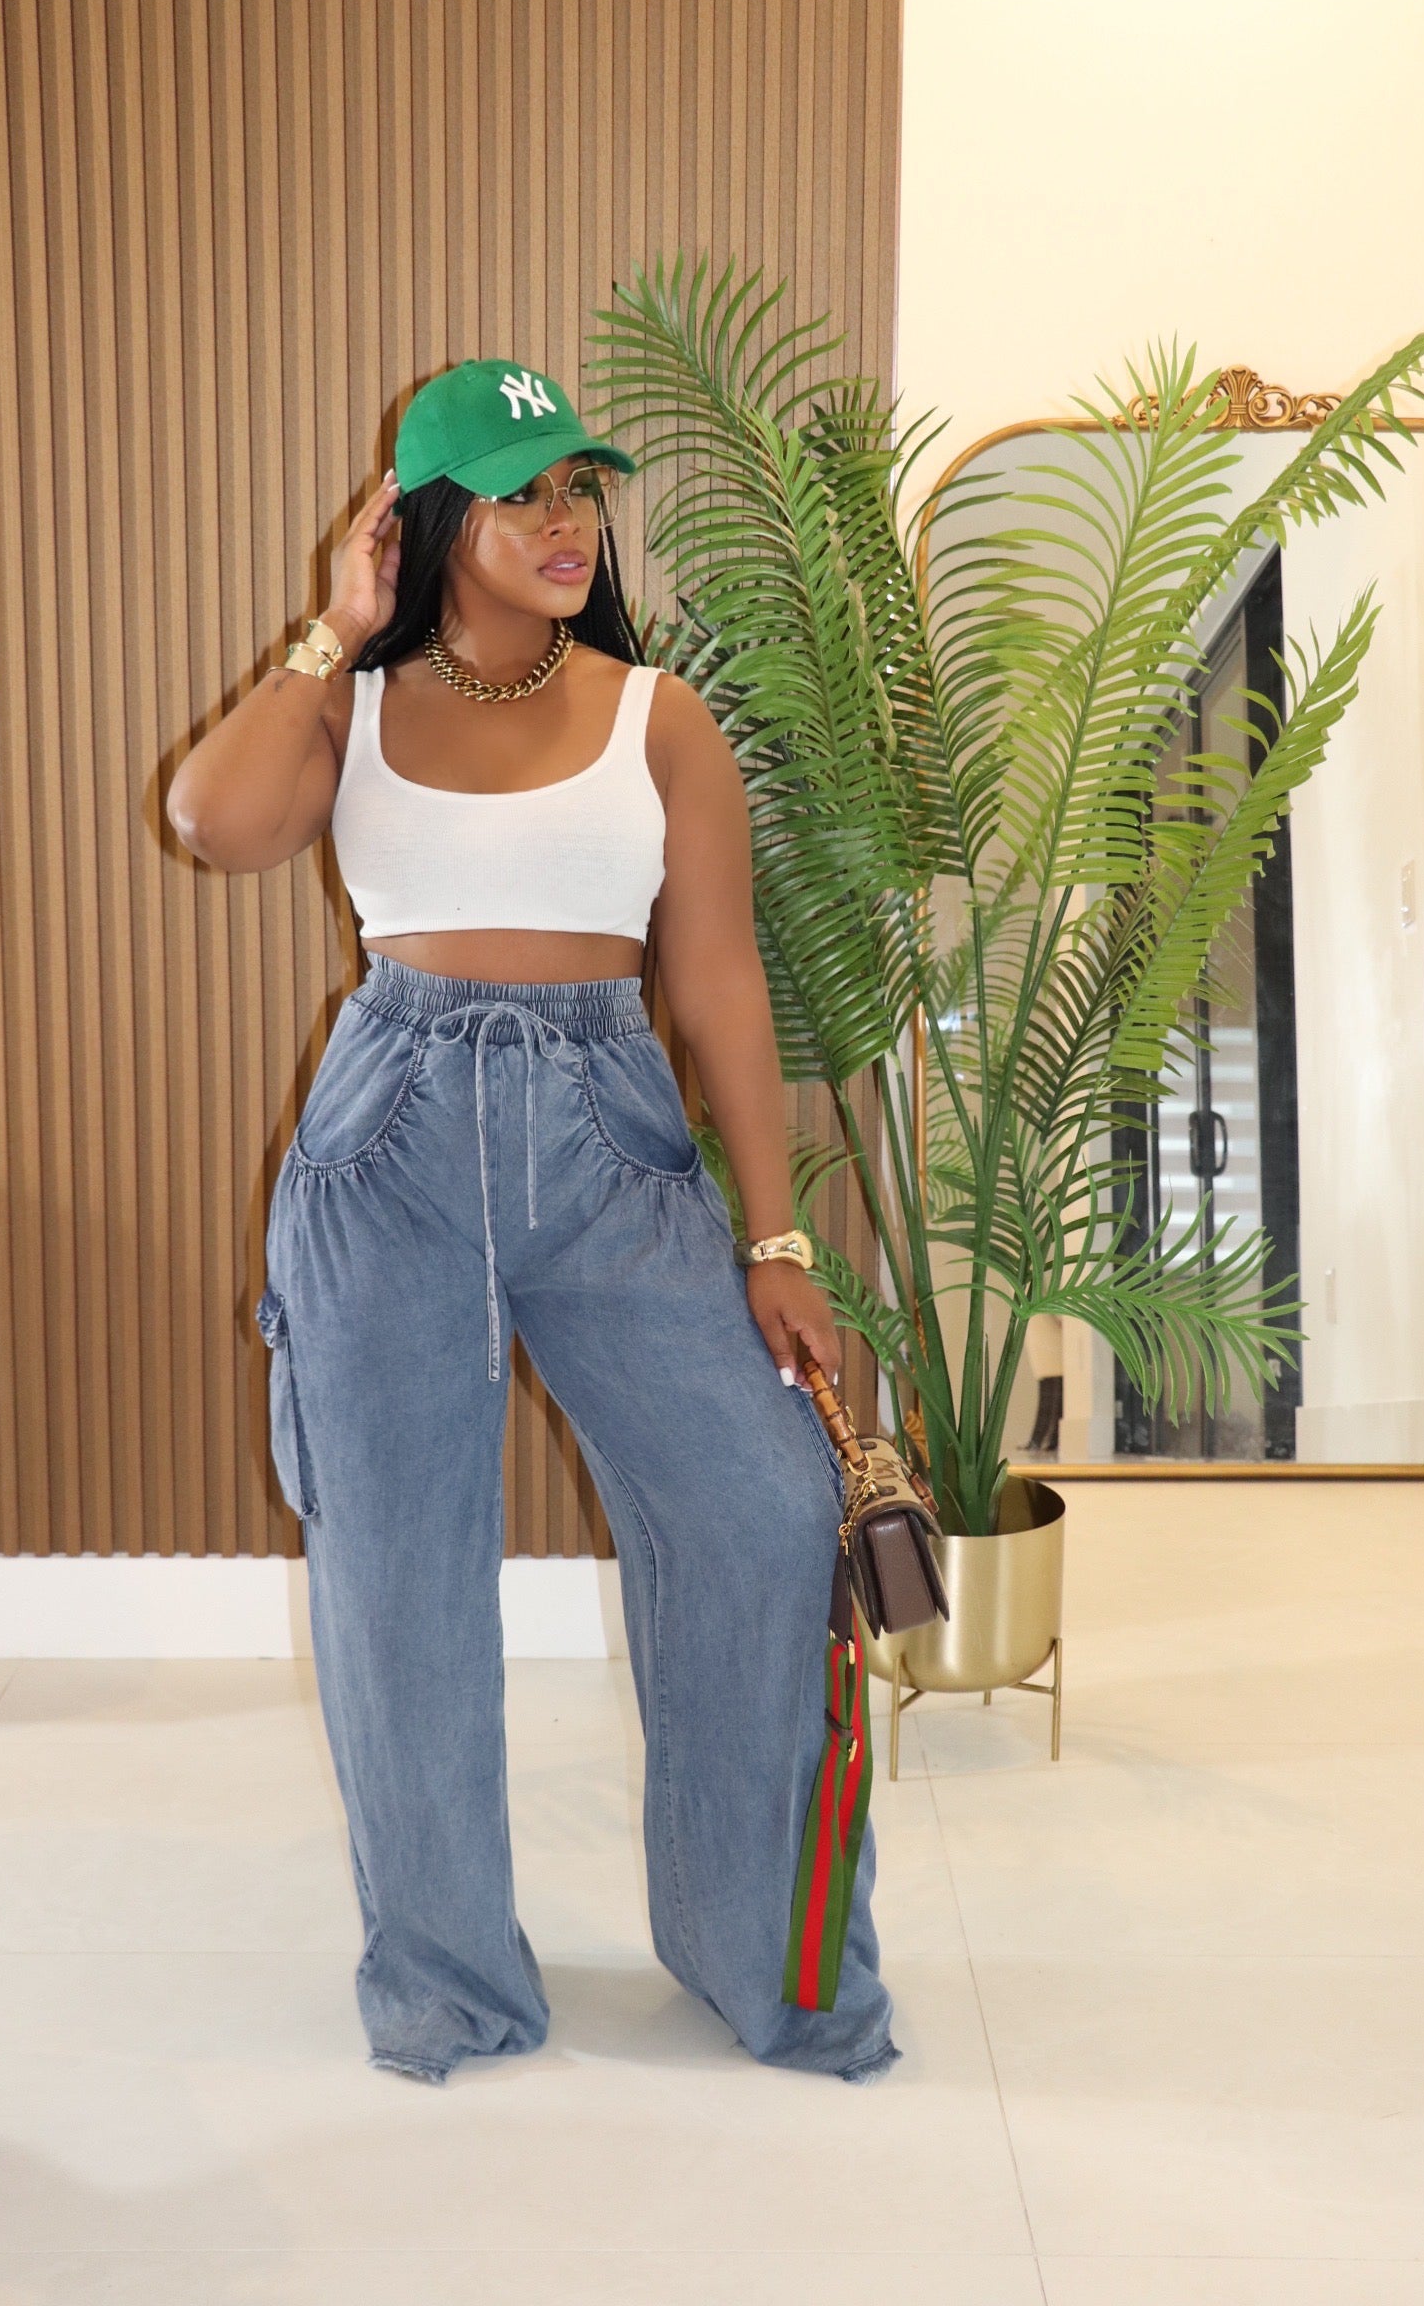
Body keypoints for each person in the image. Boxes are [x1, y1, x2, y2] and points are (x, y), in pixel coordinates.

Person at [165, 357, 900, 2088]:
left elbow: (717, 983)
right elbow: (209, 820)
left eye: (579, 488)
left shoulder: (659, 717)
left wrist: (778, 1241)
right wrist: (332, 628)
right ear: (430, 522)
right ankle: (446, 1981)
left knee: (762, 1509)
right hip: (388, 1141)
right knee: (397, 1574)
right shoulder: (350, 704)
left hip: (609, 1140)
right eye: (521, 493)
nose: (566, 522)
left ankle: (766, 1963)